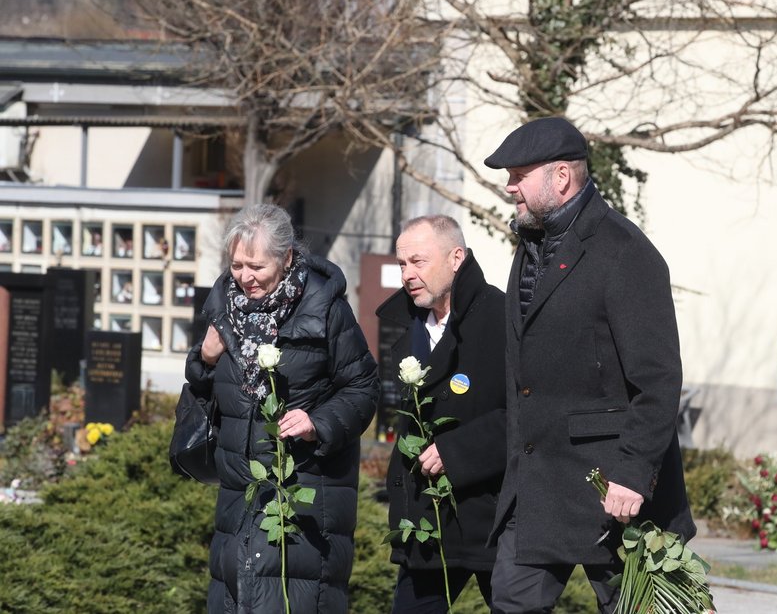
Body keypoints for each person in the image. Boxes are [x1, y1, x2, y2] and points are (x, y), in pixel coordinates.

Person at [483, 117, 696, 613]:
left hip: (612, 491)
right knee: (510, 603)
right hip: (537, 487)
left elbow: (659, 379)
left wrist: (633, 471)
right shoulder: (531, 245)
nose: (508, 187)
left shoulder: (625, 251)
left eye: (518, 175)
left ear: (560, 178)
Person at [184, 203, 379, 613]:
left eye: (256, 266)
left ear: (286, 258)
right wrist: (204, 359)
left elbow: (363, 388)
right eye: (236, 265)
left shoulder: (326, 309)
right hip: (239, 499)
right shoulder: (223, 310)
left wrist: (318, 423)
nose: (245, 277)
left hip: (304, 497)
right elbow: (206, 398)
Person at [376, 215, 506, 612]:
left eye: (418, 261)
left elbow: (528, 414)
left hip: (490, 516)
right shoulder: (406, 325)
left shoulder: (501, 317)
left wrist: (458, 452)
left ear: (456, 258)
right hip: (426, 518)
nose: (408, 274)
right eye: (402, 264)